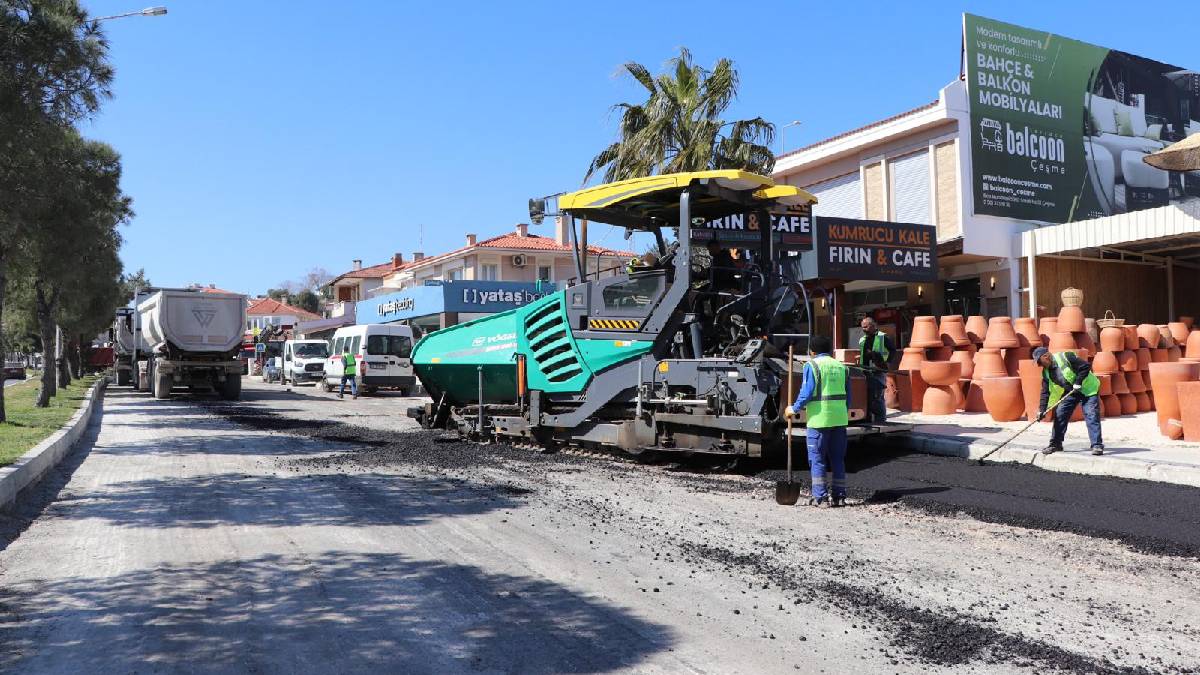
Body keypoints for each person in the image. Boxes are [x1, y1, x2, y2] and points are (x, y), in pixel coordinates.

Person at [784, 335, 851, 507]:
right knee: (838, 459)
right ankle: (840, 497)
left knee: (817, 459)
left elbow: (807, 393)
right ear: (829, 349)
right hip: (839, 419)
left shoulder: (812, 365)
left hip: (819, 421)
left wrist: (793, 408)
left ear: (812, 351)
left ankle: (820, 497)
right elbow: (847, 397)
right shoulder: (842, 367)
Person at [1033, 346, 1103, 455]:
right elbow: (1045, 392)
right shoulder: (1046, 372)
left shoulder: (1065, 357)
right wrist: (1041, 410)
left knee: (1091, 414)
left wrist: (1079, 382)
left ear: (1046, 356)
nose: (1039, 365)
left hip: (1088, 389)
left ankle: (1097, 445)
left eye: (1039, 362)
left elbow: (1085, 366)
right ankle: (1056, 444)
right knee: (1060, 413)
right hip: (1072, 391)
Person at [857, 317, 897, 424]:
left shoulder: (882, 337)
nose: (864, 329)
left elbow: (893, 350)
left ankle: (881, 419)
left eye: (866, 327)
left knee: (878, 396)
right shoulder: (862, 340)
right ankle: (868, 418)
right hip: (865, 371)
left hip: (878, 371)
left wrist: (887, 362)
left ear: (873, 325)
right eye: (862, 327)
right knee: (868, 396)